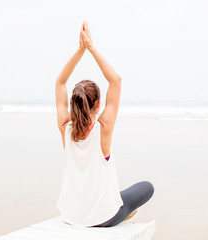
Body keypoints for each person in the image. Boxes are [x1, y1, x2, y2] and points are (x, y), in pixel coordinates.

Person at [55, 21, 154, 227]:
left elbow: (60, 83)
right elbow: (116, 80)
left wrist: (80, 50)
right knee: (147, 187)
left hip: (71, 217)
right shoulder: (102, 128)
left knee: (112, 192)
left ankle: (107, 200)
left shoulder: (66, 127)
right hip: (103, 218)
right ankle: (119, 210)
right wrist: (90, 47)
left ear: (73, 103)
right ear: (99, 103)